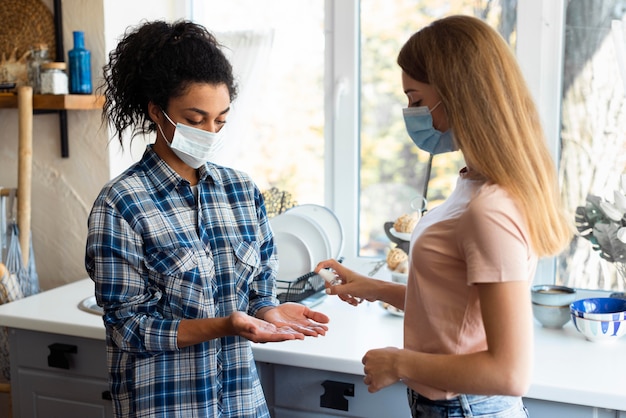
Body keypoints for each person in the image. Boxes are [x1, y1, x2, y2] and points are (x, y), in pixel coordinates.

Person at [315, 15, 572, 418]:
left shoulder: (491, 209)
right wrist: (375, 288)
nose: (410, 114)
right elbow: (458, 309)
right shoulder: (475, 183)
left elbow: (509, 372)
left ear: (457, 93)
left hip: (467, 407)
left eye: (416, 100)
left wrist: (398, 363)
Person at [85, 20, 329, 418]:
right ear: (156, 112)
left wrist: (269, 311)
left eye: (220, 120)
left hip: (241, 404)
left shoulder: (241, 192)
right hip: (165, 406)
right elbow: (127, 327)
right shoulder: (120, 203)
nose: (210, 132)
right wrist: (224, 325)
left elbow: (258, 291)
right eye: (195, 119)